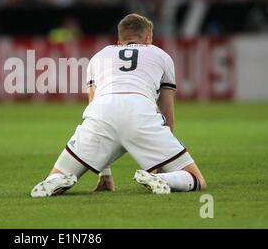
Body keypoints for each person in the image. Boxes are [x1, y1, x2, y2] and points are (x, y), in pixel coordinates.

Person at [31, 13, 207, 197]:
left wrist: (104, 171)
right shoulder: (161, 55)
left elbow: (94, 105)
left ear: (119, 40)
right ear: (148, 38)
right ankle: (165, 180)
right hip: (140, 112)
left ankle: (56, 181)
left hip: (101, 113)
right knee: (196, 179)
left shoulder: (98, 57)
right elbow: (168, 118)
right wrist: (162, 163)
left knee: (56, 175)